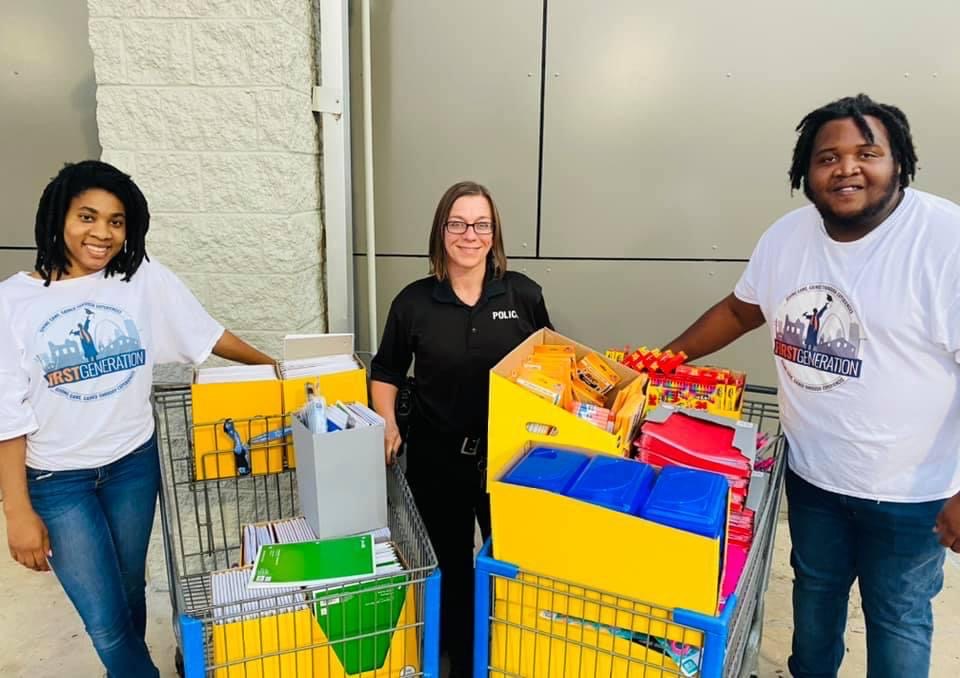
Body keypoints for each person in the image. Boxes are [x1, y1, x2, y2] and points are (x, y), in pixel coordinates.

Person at [663, 94, 960, 678]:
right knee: (815, 595)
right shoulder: (787, 237)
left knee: (898, 618)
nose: (846, 168)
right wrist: (661, 362)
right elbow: (740, 310)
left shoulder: (944, 239)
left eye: (867, 153)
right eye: (828, 157)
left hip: (913, 493)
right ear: (806, 169)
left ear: (899, 161)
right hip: (814, 476)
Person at [0, 160, 276, 677]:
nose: (102, 233)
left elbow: (206, 333)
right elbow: (6, 415)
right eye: (87, 216)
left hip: (132, 465)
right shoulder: (13, 302)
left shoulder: (140, 279)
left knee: (130, 592)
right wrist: (17, 512)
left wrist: (274, 369)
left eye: (116, 221)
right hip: (58, 480)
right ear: (58, 217)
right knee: (106, 621)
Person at [370, 180, 552, 677]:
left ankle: (505, 652)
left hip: (511, 459)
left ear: (494, 234)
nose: (469, 235)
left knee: (510, 561)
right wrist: (386, 422)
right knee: (448, 566)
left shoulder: (523, 295)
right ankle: (460, 657)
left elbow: (551, 367)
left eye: (480, 224)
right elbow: (386, 370)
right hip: (437, 458)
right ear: (441, 231)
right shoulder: (413, 302)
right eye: (457, 223)